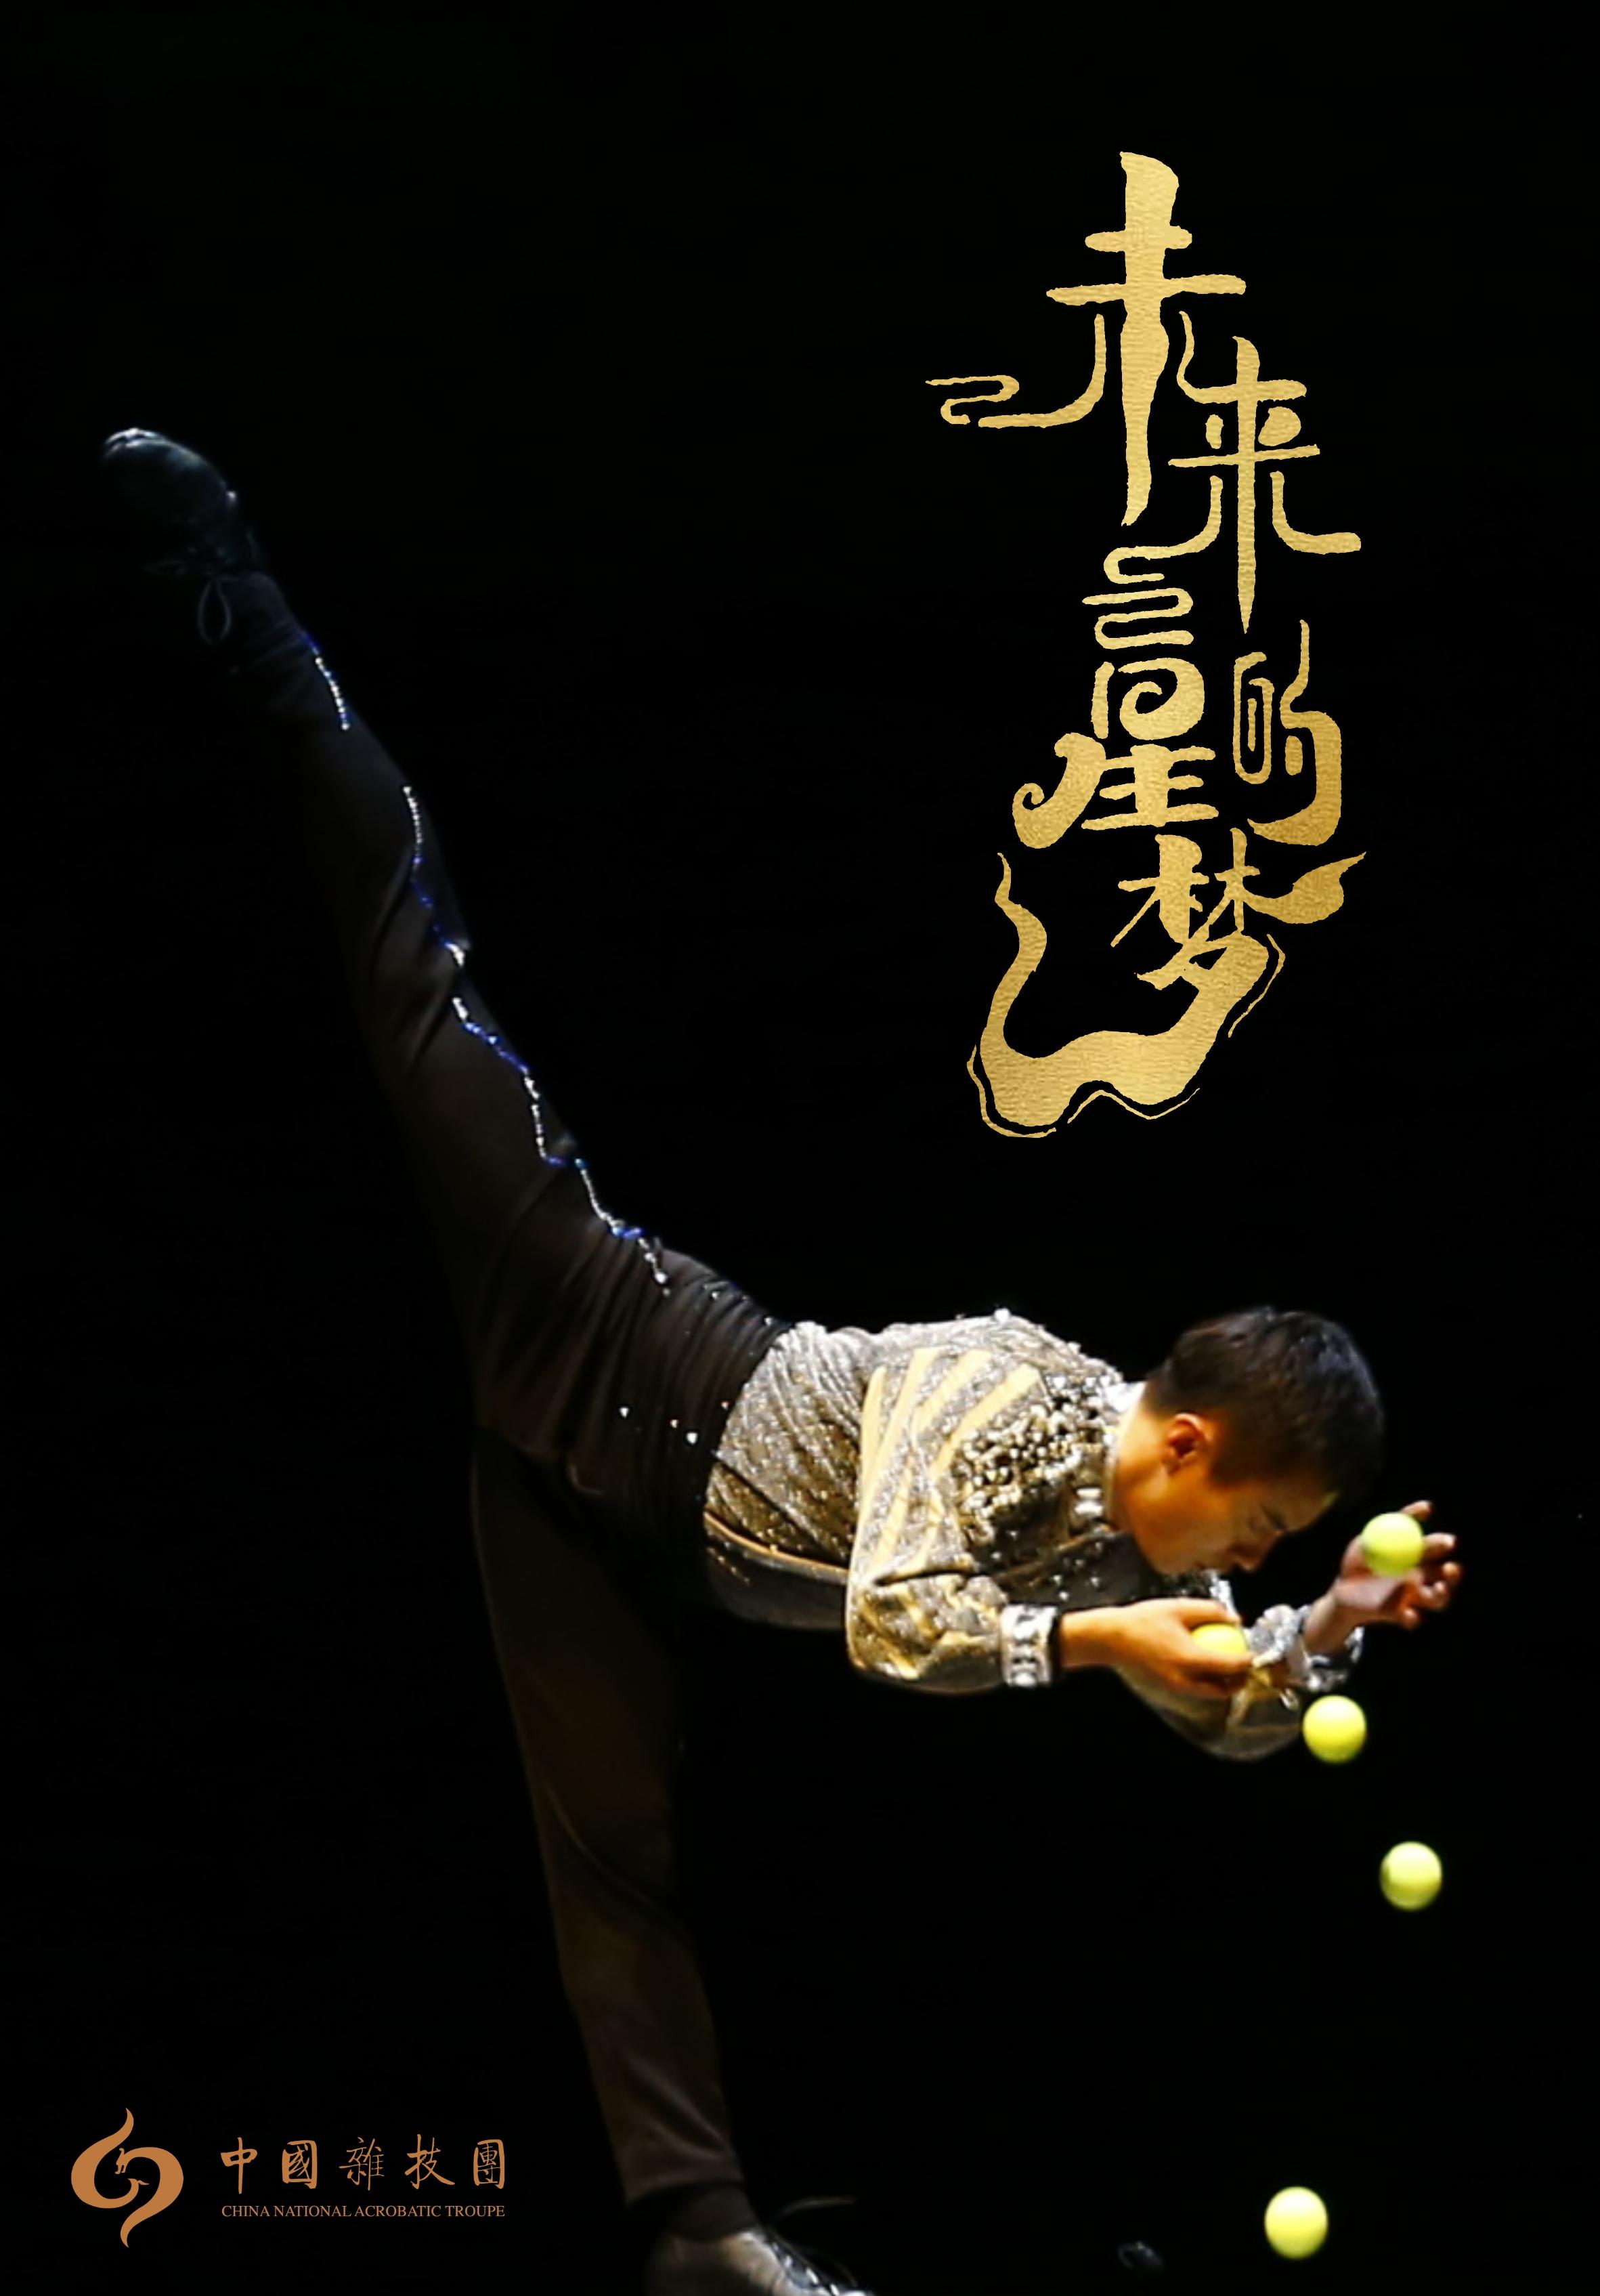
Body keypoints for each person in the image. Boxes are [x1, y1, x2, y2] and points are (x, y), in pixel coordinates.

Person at [93, 430, 1465, 2296]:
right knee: (418, 982)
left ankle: (697, 2242)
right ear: (1195, 1439)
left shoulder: (1133, 1556)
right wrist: (1113, 1645)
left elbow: (1225, 1714)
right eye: (1268, 1527)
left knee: (616, 1850)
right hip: (601, 1331)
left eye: (1278, 1551)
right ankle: (240, 600)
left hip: (616, 1523)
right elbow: (896, 1621)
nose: (1252, 1563)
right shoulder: (1005, 1386)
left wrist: (1328, 1632)